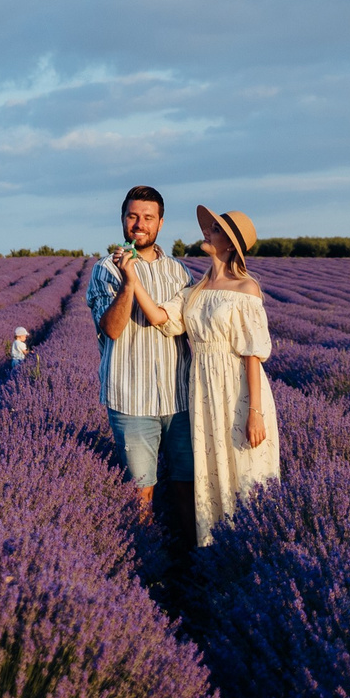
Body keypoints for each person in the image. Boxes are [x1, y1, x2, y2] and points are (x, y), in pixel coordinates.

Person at [144, 206, 279, 548]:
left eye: (215, 230)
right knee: (211, 470)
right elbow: (163, 319)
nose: (207, 233)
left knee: (245, 470)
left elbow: (251, 353)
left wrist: (256, 411)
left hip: (237, 390)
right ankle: (215, 554)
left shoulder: (246, 288)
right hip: (203, 389)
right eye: (210, 228)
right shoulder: (196, 288)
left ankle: (251, 551)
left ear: (230, 245)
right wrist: (131, 279)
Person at [88, 184, 192, 523]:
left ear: (160, 223)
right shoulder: (105, 269)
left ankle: (186, 560)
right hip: (132, 397)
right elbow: (113, 329)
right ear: (122, 220)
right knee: (140, 491)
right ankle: (146, 559)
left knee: (187, 484)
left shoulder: (178, 271)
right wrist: (129, 281)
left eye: (148, 217)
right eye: (133, 216)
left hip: (180, 398)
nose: (139, 224)